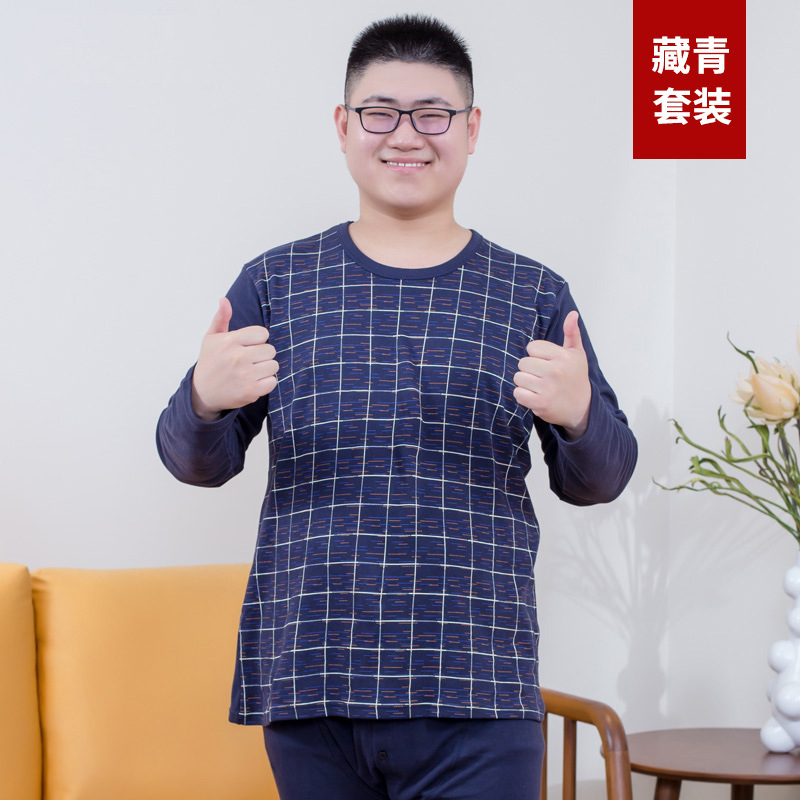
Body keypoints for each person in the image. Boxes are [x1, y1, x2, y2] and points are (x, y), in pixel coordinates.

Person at [156, 14, 637, 800]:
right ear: (344, 126)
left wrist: (580, 416)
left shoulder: (533, 293)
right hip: (312, 685)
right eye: (380, 112)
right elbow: (195, 463)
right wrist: (204, 401)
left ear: (471, 129)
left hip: (478, 690)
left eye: (433, 114)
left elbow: (601, 479)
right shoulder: (276, 283)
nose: (406, 135)